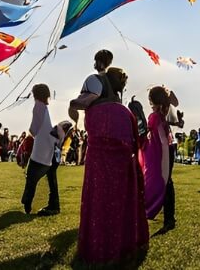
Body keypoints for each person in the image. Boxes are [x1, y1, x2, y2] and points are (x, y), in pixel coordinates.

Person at [75, 67, 147, 266]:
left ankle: (96, 246)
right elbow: (135, 143)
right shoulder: (125, 112)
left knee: (98, 203)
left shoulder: (93, 111)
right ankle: (123, 245)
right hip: (123, 169)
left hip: (97, 168)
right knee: (121, 204)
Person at [21, 84, 62, 216]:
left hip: (40, 151)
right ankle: (54, 205)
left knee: (31, 178)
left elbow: (34, 128)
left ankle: (27, 203)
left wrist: (30, 135)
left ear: (36, 95)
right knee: (51, 177)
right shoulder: (45, 107)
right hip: (49, 149)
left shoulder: (38, 106)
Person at [142, 86, 177, 231]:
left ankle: (168, 218)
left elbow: (160, 137)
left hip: (161, 150)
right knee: (167, 181)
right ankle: (169, 217)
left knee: (164, 181)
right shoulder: (164, 112)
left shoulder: (157, 115)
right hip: (166, 148)